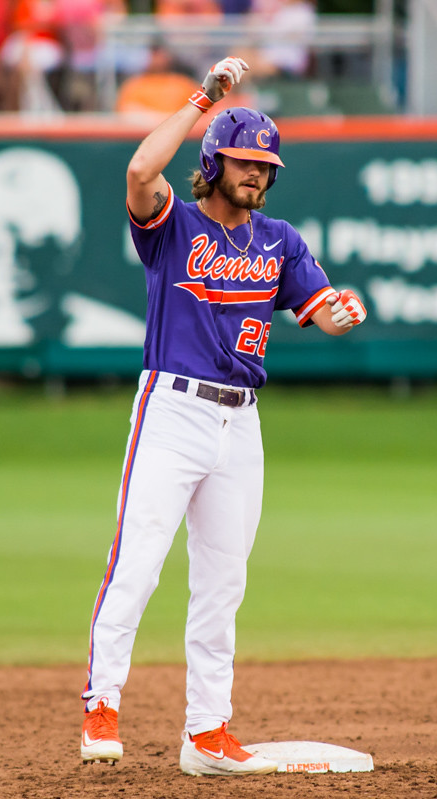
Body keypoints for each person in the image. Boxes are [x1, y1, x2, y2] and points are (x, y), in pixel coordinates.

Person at [80, 55, 367, 777]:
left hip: (241, 423)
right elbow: (141, 173)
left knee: (222, 579)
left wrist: (340, 313)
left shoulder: (280, 241)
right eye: (243, 161)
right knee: (139, 561)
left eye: (265, 165)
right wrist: (203, 99)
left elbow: (320, 315)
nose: (256, 174)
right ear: (213, 160)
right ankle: (102, 704)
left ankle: (208, 732)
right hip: (171, 408)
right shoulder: (171, 228)